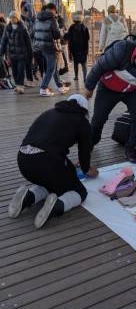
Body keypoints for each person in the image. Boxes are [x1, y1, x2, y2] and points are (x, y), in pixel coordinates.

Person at [8, 94, 98, 228]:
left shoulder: (49, 112)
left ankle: (28, 197)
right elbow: (84, 152)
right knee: (80, 192)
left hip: (23, 160)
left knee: (51, 184)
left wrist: (64, 163)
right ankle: (57, 206)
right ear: (85, 110)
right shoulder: (81, 120)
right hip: (47, 162)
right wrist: (88, 169)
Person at [84, 31, 136, 163]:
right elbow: (99, 66)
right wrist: (89, 87)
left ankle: (132, 147)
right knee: (98, 119)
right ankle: (89, 144)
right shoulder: (122, 49)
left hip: (132, 91)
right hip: (108, 87)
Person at [33, 3, 69, 97]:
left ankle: (60, 86)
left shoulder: (37, 18)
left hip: (40, 46)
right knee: (51, 68)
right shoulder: (52, 19)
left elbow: (34, 32)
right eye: (55, 10)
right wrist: (62, 33)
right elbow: (56, 35)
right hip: (49, 46)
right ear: (53, 10)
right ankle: (43, 88)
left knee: (53, 67)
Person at [0, 10, 32, 94]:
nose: (12, 19)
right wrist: (1, 52)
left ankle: (20, 86)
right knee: (14, 71)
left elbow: (28, 42)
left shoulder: (23, 28)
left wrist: (31, 54)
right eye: (11, 18)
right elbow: (4, 41)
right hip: (12, 54)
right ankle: (17, 85)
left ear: (17, 18)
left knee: (20, 70)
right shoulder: (7, 28)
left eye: (14, 17)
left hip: (22, 54)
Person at [67, 11, 89, 82]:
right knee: (84, 64)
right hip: (83, 49)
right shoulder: (85, 28)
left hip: (74, 49)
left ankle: (76, 76)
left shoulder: (71, 27)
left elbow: (69, 38)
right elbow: (87, 38)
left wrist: (70, 51)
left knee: (75, 63)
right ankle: (85, 77)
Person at [20, 1, 36, 86]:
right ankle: (29, 79)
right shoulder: (23, 19)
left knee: (29, 62)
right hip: (27, 44)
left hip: (30, 44)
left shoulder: (29, 20)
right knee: (27, 63)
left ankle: (30, 79)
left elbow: (32, 32)